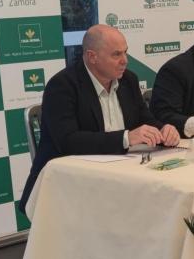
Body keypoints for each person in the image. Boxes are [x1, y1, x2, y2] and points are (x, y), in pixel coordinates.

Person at [19, 24, 180, 213]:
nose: (125, 61)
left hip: (120, 176)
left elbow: (145, 120)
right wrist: (126, 138)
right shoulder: (62, 86)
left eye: (125, 53)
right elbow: (68, 142)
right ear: (92, 56)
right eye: (116, 54)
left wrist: (164, 130)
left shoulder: (129, 80)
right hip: (69, 185)